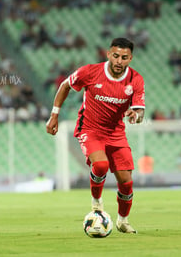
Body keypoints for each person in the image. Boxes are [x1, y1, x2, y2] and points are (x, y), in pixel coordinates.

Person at [46, 38, 145, 234]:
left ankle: (122, 220)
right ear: (108, 54)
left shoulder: (135, 80)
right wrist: (54, 114)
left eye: (124, 58)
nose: (119, 61)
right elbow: (65, 85)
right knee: (101, 165)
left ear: (130, 58)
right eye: (115, 56)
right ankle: (96, 204)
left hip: (116, 133)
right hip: (89, 129)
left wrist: (136, 115)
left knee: (126, 182)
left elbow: (140, 111)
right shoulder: (90, 72)